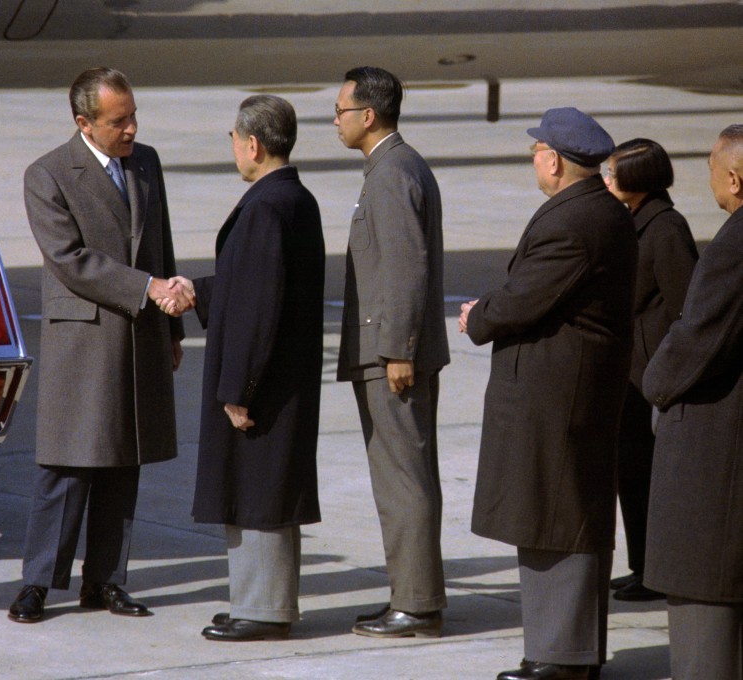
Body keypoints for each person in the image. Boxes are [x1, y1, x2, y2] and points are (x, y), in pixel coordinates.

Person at [8, 67, 194, 623]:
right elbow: (70, 260)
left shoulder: (146, 162)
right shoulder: (48, 175)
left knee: (124, 459)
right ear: (84, 122)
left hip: (139, 332)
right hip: (85, 338)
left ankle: (107, 580)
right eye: (120, 121)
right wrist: (146, 289)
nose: (131, 128)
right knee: (68, 464)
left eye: (134, 116)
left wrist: (172, 327)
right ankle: (38, 582)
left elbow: (160, 245)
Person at [458, 107, 637, 680]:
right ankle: (560, 651)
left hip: (561, 397)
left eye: (537, 149)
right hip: (562, 391)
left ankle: (564, 657)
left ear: (554, 160)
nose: (534, 157)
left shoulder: (575, 221)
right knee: (551, 514)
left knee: (560, 517)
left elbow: (524, 298)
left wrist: (478, 315)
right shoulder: (593, 211)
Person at [184, 95, 325, 642]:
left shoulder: (266, 206)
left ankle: (264, 611)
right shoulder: (294, 198)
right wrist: (197, 291)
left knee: (260, 491)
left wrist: (238, 388)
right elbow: (250, 286)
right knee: (256, 489)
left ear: (253, 144)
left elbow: (260, 306)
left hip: (264, 382)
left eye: (234, 138)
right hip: (281, 375)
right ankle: (255, 601)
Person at [333, 66, 450, 638]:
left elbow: (407, 267)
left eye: (340, 111)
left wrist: (398, 349)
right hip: (390, 351)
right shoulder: (394, 167)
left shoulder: (391, 174)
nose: (336, 121)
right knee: (405, 476)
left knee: (403, 478)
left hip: (392, 357)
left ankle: (418, 604)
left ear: (368, 115)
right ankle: (412, 594)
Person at [642, 124, 743, 679]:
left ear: (733, 178)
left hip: (716, 458)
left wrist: (654, 385)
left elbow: (697, 335)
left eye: (709, 168)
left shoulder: (732, 245)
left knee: (705, 633)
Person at [602, 139, 697, 602]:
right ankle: (643, 565)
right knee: (631, 476)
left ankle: (655, 572)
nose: (605, 178)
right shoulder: (634, 221)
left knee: (649, 478)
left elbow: (688, 309)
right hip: (630, 376)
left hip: (651, 376)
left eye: (612, 172)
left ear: (637, 179)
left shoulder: (665, 229)